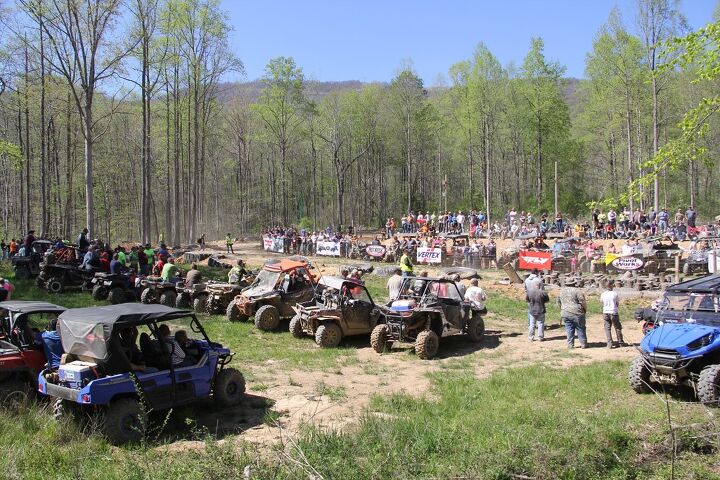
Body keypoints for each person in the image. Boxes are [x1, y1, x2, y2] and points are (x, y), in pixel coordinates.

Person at [557, 281, 587, 349]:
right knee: (580, 328)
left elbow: (558, 302)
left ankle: (570, 344)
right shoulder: (577, 291)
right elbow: (582, 301)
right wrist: (585, 309)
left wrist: (562, 309)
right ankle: (583, 343)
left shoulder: (561, 291)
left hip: (565, 312)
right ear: (574, 283)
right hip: (577, 312)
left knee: (569, 328)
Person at [600, 281, 624, 348]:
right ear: (611, 286)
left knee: (607, 328)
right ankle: (620, 342)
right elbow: (617, 304)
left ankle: (609, 343)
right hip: (613, 312)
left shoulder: (603, 294)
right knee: (618, 327)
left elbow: (602, 304)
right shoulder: (614, 294)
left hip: (605, 312)